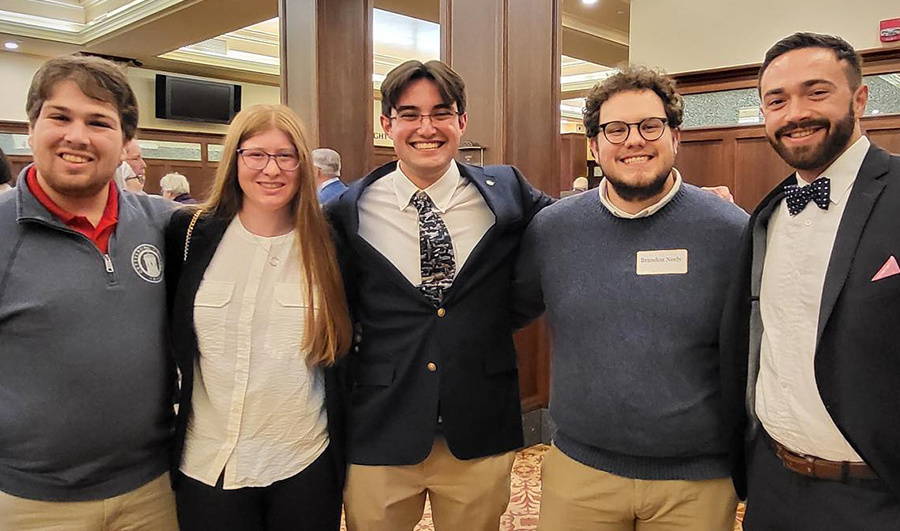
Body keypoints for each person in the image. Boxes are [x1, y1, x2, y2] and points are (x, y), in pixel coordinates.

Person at [515, 65, 747, 530]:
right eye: (615, 129)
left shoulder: (729, 231)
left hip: (695, 483)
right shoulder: (554, 229)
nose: (633, 140)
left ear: (675, 136)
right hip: (580, 472)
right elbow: (505, 308)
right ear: (595, 145)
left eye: (650, 126)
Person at [326, 59, 552, 531]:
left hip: (480, 421)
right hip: (380, 424)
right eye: (409, 114)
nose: (425, 128)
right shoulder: (348, 209)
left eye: (441, 112)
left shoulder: (507, 192)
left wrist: (682, 198)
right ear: (387, 125)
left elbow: (580, 225)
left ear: (461, 122)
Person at [721, 32, 900, 530]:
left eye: (816, 92)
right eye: (776, 100)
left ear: (860, 98)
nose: (795, 112)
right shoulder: (767, 215)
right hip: (773, 485)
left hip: (878, 495)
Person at [0, 55, 176, 530]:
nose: (77, 136)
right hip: (30, 503)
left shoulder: (165, 225)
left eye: (99, 122)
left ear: (124, 144)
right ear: (31, 128)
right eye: (60, 117)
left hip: (153, 492)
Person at [165, 104, 352, 531]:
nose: (272, 169)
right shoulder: (190, 234)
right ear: (234, 160)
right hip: (209, 461)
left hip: (303, 459)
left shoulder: (331, 244)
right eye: (256, 155)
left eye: (286, 156)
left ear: (303, 166)